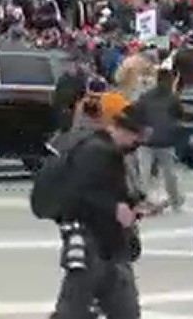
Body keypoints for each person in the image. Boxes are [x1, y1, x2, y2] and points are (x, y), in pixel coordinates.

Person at [49, 108, 146, 319]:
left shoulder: (108, 151)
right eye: (136, 138)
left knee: (124, 309)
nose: (136, 145)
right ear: (125, 132)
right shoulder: (95, 151)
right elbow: (80, 193)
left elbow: (110, 191)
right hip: (90, 242)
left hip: (109, 247)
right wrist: (115, 208)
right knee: (74, 309)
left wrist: (134, 206)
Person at [132, 68, 185, 212]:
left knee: (145, 175)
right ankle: (174, 201)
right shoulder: (172, 98)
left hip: (149, 141)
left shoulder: (146, 97)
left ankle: (146, 201)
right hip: (164, 140)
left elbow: (136, 114)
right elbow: (180, 115)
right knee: (169, 175)